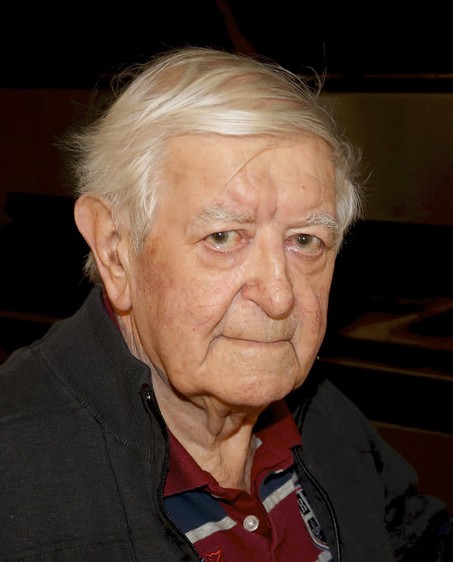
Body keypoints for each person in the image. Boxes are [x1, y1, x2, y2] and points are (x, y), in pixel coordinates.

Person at [0, 46, 451, 562]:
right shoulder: (16, 482)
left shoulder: (321, 413)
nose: (279, 296)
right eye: (223, 237)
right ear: (115, 250)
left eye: (305, 240)